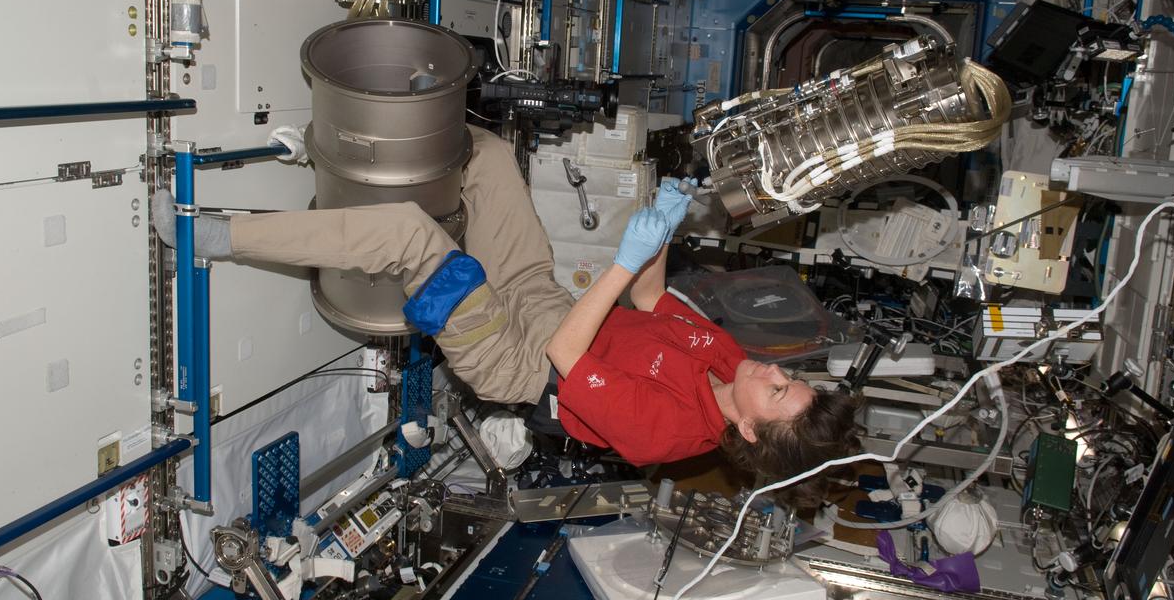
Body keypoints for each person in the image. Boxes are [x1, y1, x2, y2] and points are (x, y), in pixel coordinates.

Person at [154, 125, 859, 505]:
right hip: (554, 306)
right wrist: (664, 224)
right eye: (786, 376)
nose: (766, 367)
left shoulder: (669, 435)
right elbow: (649, 299)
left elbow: (566, 359)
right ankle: (346, 142)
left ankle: (211, 235)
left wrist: (623, 257)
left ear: (746, 427)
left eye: (774, 388)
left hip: (519, 363)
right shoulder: (729, 365)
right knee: (487, 155)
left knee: (409, 236)